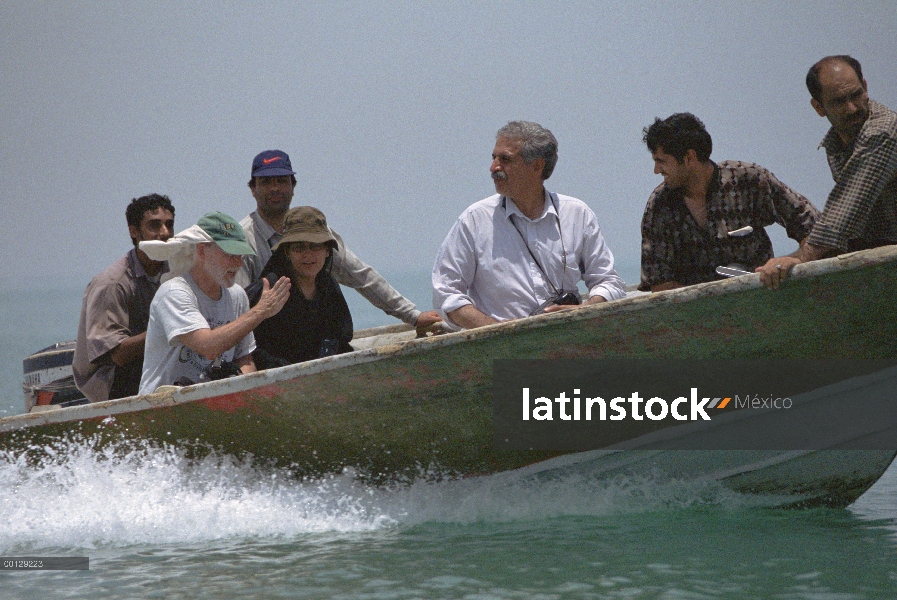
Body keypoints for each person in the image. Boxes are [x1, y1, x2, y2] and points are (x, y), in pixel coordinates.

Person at [432, 121, 626, 329]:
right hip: (500, 352)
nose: (494, 168)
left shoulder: (577, 214)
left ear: (536, 166)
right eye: (494, 158)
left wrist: (586, 308)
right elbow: (446, 294)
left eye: (505, 159)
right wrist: (494, 328)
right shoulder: (474, 221)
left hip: (571, 342)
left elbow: (609, 282)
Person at [235, 149, 441, 330]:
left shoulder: (318, 232)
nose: (275, 189)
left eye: (281, 181)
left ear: (293, 186)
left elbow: (361, 276)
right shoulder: (243, 239)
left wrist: (413, 315)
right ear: (253, 189)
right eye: (266, 182)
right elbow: (237, 305)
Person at [758, 55, 897, 288]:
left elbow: (846, 211)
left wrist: (799, 257)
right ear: (818, 107)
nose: (852, 108)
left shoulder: (881, 133)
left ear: (865, 86)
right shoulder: (837, 143)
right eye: (839, 101)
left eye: (856, 95)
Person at [639, 113, 818, 292]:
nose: (656, 170)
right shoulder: (659, 206)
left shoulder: (749, 181)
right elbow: (660, 283)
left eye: (661, 161)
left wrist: (791, 261)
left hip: (764, 302)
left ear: (689, 158)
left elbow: (817, 230)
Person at [138, 212, 290, 395]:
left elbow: (244, 358)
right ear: (202, 251)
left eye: (240, 255)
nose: (238, 263)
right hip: (162, 407)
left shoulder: (237, 296)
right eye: (230, 254)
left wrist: (241, 388)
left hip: (212, 405)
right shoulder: (174, 292)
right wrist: (260, 311)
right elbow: (207, 347)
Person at [73, 194, 175, 402]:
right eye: (154, 226)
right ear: (134, 231)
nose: (164, 233)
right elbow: (117, 354)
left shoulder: (176, 270)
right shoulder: (112, 283)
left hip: (156, 364)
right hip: (112, 380)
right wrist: (172, 329)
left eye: (169, 225)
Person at [246, 206, 354, 369]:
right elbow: (244, 346)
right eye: (299, 247)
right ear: (287, 252)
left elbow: (341, 338)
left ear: (327, 250)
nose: (308, 255)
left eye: (315, 246)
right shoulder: (269, 288)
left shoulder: (328, 287)